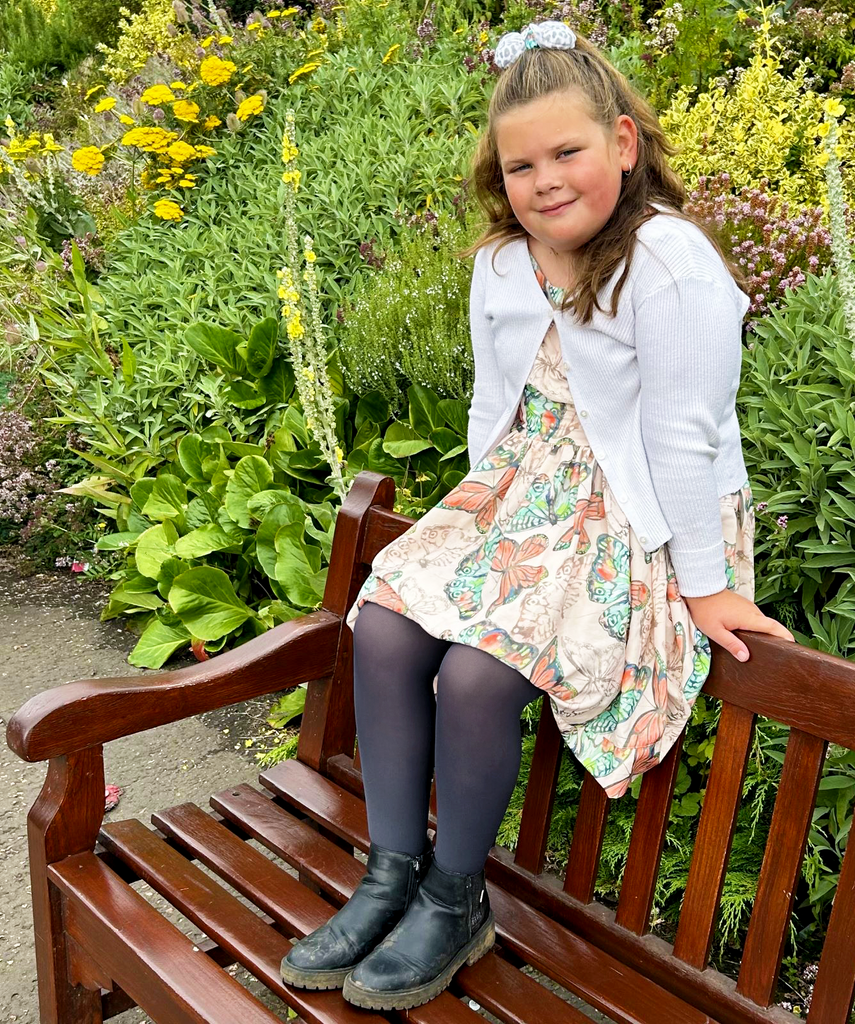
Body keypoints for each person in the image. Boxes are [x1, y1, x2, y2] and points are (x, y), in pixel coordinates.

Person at [280, 18, 795, 1010]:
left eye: (568, 151)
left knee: (477, 673)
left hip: (638, 513)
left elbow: (685, 437)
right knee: (385, 621)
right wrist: (478, 531)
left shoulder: (668, 260)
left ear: (624, 145)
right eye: (521, 164)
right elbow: (494, 406)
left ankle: (452, 893)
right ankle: (390, 871)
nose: (545, 179)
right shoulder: (503, 265)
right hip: (526, 499)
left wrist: (708, 585)